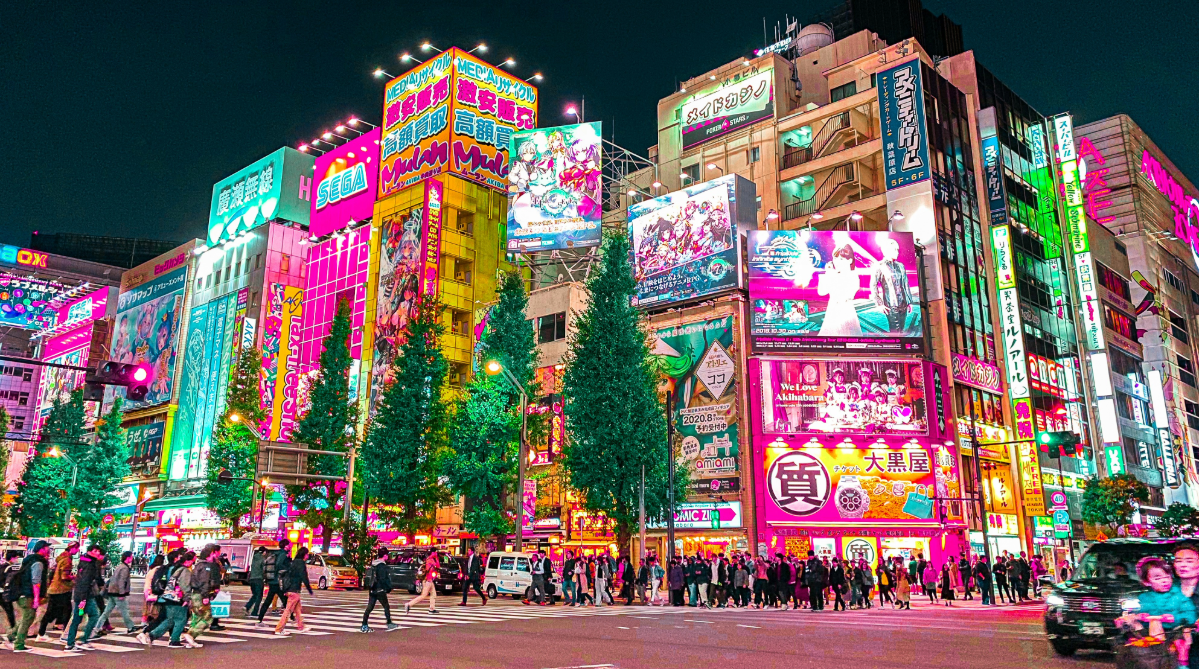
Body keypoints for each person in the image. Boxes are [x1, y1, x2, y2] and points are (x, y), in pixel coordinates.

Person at [1126, 557, 1196, 669]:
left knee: (1181, 641)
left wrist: (1174, 618)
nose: (1165, 581)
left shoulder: (1179, 597)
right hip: (1149, 634)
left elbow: (1190, 615)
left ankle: (1182, 664)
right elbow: (1133, 613)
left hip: (1173, 632)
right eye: (1158, 578)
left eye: (1167, 577)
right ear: (1146, 582)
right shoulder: (1143, 598)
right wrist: (1139, 616)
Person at [139, 551, 195, 648]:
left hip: (167, 596)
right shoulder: (184, 571)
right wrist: (187, 598)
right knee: (181, 619)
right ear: (188, 561)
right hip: (177, 597)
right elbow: (184, 585)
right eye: (192, 562)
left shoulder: (170, 568)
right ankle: (174, 640)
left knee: (170, 620)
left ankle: (152, 635)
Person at [3, 540, 50, 652]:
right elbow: (36, 581)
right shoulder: (38, 563)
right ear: (42, 549)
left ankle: (11, 635)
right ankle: (19, 644)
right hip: (29, 595)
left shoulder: (28, 561)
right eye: (47, 548)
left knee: (26, 618)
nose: (49, 550)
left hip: (23, 594)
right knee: (28, 618)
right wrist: (37, 598)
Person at [64, 544, 106, 651]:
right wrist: (83, 599)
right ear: (91, 551)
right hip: (85, 596)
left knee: (85, 616)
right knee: (85, 617)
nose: (98, 553)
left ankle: (77, 641)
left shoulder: (85, 562)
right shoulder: (89, 564)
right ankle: (76, 641)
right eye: (96, 551)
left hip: (84, 596)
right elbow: (85, 581)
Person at [37, 540, 79, 641]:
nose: (77, 551)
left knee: (51, 612)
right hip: (62, 589)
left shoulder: (61, 558)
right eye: (76, 548)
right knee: (67, 611)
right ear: (72, 548)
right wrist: (74, 577)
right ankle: (66, 634)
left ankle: (41, 633)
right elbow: (64, 576)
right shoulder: (67, 560)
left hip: (54, 588)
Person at [818, 244, 864, 336]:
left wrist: (832, 276)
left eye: (841, 259)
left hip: (846, 313)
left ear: (850, 260)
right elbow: (822, 292)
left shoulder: (853, 276)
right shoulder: (832, 274)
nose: (837, 262)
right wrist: (828, 274)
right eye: (835, 258)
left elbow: (846, 296)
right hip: (832, 312)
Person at [869, 236, 913, 333]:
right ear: (887, 251)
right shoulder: (879, 266)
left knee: (901, 330)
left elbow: (906, 284)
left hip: (903, 304)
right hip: (891, 305)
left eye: (897, 249)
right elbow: (873, 285)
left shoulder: (901, 266)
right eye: (894, 250)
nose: (897, 252)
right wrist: (879, 304)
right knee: (895, 332)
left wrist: (909, 302)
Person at [184, 544, 222, 647]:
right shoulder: (206, 567)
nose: (218, 554)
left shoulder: (198, 565)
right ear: (212, 553)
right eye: (217, 552)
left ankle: (190, 640)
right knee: (208, 617)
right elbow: (204, 582)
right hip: (201, 595)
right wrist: (205, 596)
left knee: (197, 617)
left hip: (196, 594)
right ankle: (191, 634)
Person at [275, 545, 313, 635]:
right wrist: (309, 588)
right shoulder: (301, 563)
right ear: (304, 555)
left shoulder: (293, 562)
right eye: (307, 554)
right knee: (288, 611)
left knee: (298, 610)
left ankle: (301, 627)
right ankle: (279, 629)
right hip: (294, 590)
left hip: (289, 588)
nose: (308, 556)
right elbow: (304, 577)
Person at [96, 551, 136, 635]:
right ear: (127, 558)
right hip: (118, 593)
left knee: (106, 612)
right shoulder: (124, 568)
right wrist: (122, 593)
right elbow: (122, 581)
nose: (132, 559)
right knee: (124, 610)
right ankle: (130, 627)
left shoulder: (119, 566)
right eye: (131, 557)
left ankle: (97, 627)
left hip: (112, 591)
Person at [362, 547, 398, 632]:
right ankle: (389, 623)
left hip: (372, 588)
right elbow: (383, 578)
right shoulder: (382, 566)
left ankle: (364, 624)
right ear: (385, 555)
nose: (388, 557)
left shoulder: (373, 564)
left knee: (370, 607)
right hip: (380, 589)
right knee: (386, 606)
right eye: (387, 555)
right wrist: (388, 587)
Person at [256, 538, 292, 624]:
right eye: (289, 544)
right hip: (277, 581)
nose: (290, 546)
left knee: (269, 600)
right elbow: (279, 564)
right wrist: (286, 570)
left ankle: (260, 619)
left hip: (273, 581)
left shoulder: (276, 553)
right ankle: (293, 617)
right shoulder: (283, 554)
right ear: (286, 546)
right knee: (285, 600)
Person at [405, 550, 441, 615]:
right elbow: (429, 569)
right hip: (427, 580)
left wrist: (436, 558)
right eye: (435, 552)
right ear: (432, 553)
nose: (436, 553)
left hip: (429, 580)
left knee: (433, 594)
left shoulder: (431, 559)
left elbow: (438, 566)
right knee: (423, 595)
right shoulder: (429, 560)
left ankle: (432, 609)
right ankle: (409, 604)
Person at [1, 551, 19, 635]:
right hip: (3, 592)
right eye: (16, 558)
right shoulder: (9, 568)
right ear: (12, 558)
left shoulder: (2, 566)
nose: (17, 559)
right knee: (9, 611)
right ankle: (13, 630)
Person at [244, 546, 265, 616]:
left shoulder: (253, 558)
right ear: (264, 552)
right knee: (259, 596)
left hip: (252, 579)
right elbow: (264, 570)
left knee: (255, 595)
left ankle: (247, 606)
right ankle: (255, 611)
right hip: (259, 579)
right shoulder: (262, 559)